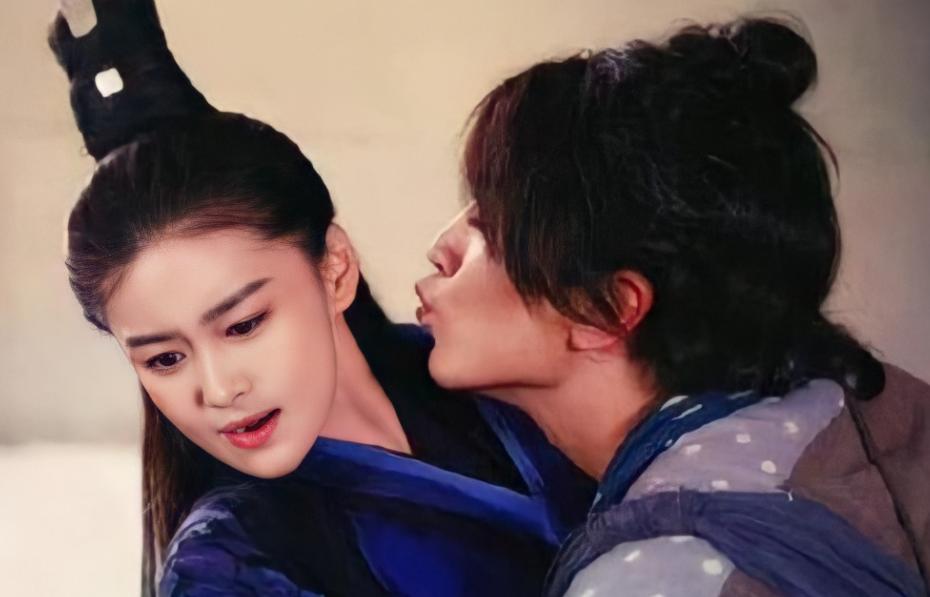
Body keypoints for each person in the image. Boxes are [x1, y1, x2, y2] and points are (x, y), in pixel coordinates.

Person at [49, 1, 594, 595]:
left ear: (334, 268)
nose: (219, 389)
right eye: (165, 358)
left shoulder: (476, 369)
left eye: (243, 325)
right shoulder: (226, 568)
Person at [416, 16, 930, 596]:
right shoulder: (870, 414)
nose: (441, 249)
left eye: (488, 226)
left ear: (608, 308)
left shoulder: (656, 577)